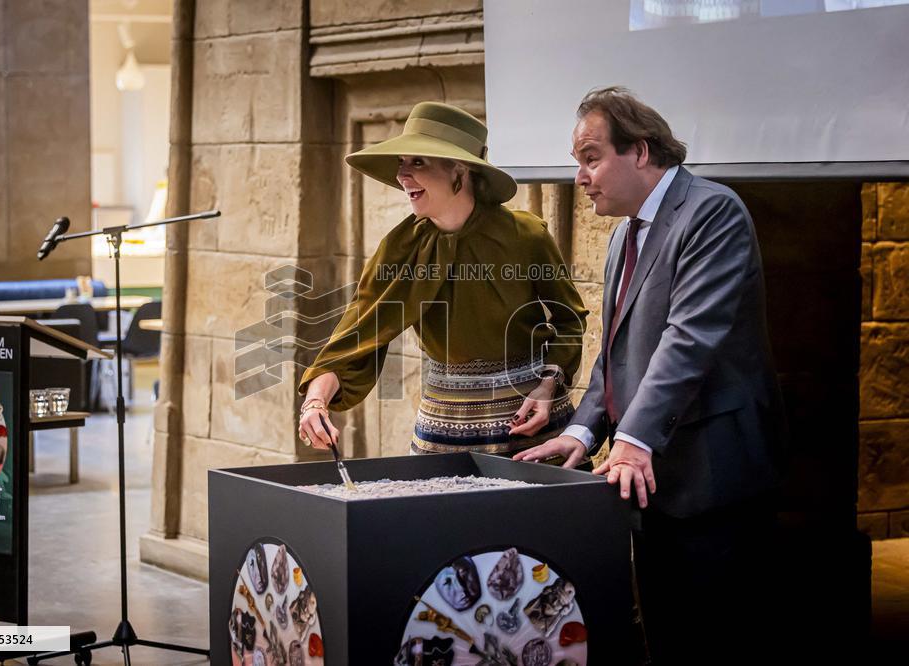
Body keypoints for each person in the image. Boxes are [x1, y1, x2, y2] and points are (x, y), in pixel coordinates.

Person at [516, 87, 785, 663]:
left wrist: (633, 440)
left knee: (720, 643)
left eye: (591, 158)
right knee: (665, 640)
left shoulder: (712, 212)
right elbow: (615, 353)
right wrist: (585, 430)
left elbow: (688, 339)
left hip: (714, 480)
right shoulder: (623, 234)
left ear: (640, 151)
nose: (581, 178)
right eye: (577, 163)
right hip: (648, 483)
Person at [298, 102, 587, 456]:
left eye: (418, 162)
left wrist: (548, 388)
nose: (403, 175)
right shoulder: (399, 248)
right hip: (441, 432)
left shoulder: (526, 236)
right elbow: (355, 336)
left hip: (531, 429)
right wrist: (315, 403)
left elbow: (569, 320)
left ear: (460, 168)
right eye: (402, 163)